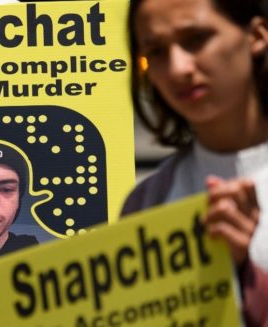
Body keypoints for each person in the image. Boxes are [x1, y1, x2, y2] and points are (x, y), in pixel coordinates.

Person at [122, 0, 268, 324]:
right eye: (156, 51)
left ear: (257, 36)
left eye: (196, 39)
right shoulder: (146, 203)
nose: (178, 68)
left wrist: (248, 280)